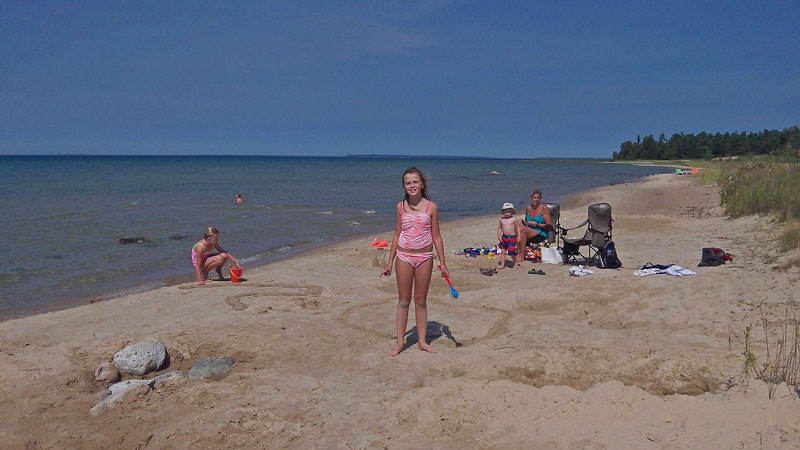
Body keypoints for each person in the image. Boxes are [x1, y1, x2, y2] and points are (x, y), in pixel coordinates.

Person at [381, 167, 449, 356]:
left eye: (415, 182)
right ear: (404, 186)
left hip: (425, 257)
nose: (412, 185)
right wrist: (389, 262)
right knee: (404, 301)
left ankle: (422, 341)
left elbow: (436, 237)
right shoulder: (400, 207)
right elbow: (396, 234)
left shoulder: (431, 207)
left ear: (422, 184)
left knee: (421, 300)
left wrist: (443, 263)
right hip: (404, 256)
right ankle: (400, 343)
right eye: (408, 182)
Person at [516, 189, 552, 265]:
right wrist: (521, 221)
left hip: (540, 232)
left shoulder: (544, 208)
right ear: (531, 198)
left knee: (522, 229)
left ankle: (521, 255)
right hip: (529, 230)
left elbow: (549, 225)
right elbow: (526, 222)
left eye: (538, 198)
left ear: (540, 199)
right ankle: (518, 252)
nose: (536, 200)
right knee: (518, 227)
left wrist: (536, 224)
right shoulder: (528, 208)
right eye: (534, 197)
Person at [497, 202, 520, 269]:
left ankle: (515, 263)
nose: (507, 213)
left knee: (511, 251)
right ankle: (502, 264)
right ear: (503, 212)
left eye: (509, 212)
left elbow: (518, 227)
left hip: (512, 237)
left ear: (512, 212)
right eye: (505, 212)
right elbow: (500, 228)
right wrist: (499, 235)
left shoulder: (513, 219)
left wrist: (519, 236)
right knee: (503, 251)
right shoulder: (501, 220)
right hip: (504, 237)